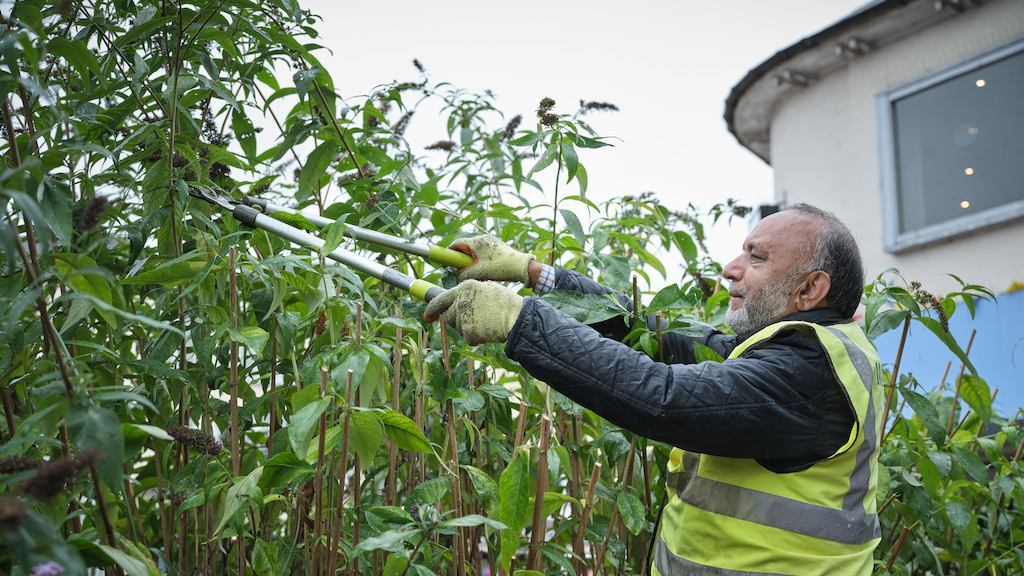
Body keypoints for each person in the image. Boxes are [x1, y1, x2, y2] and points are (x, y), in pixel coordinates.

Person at [423, 203, 884, 576]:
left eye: (757, 257)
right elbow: (658, 335)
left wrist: (518, 320)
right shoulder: (785, 349)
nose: (730, 269)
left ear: (809, 290)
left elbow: (663, 398)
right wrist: (537, 275)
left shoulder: (810, 371)